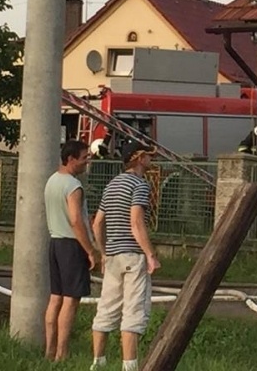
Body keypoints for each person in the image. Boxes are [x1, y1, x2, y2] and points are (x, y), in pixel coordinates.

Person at [90, 140, 161, 371]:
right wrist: (150, 254)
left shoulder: (111, 185)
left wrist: (103, 253)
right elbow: (136, 223)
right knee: (133, 312)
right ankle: (129, 367)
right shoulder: (140, 185)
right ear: (139, 158)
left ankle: (97, 363)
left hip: (112, 257)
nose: (151, 160)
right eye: (148, 156)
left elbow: (97, 224)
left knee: (106, 309)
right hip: (133, 255)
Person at [43, 139, 95, 361]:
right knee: (71, 300)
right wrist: (90, 250)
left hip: (55, 242)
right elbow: (76, 220)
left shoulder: (52, 181)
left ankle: (49, 351)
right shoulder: (73, 186)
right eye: (84, 158)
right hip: (72, 246)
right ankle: (62, 354)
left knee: (55, 298)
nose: (87, 162)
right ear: (71, 159)